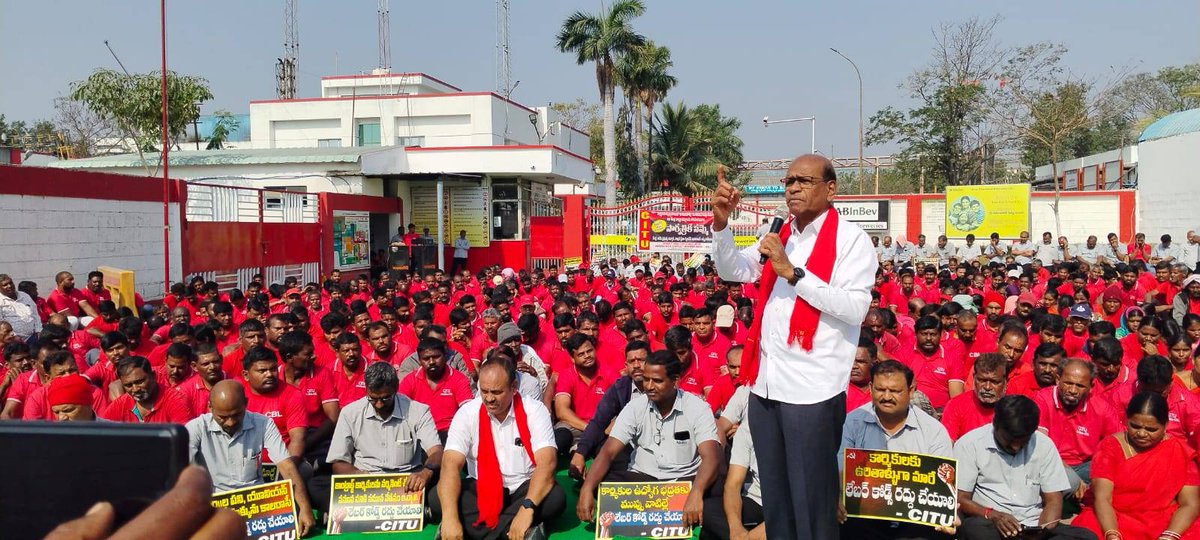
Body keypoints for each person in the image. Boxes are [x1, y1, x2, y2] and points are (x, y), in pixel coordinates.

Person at [711, 156, 876, 540]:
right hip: (765, 386)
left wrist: (794, 274)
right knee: (777, 499)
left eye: (804, 180)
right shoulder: (780, 233)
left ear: (830, 189)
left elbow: (855, 308)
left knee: (812, 503)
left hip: (811, 391)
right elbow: (734, 270)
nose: (793, 188)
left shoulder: (851, 240)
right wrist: (721, 225)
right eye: (789, 181)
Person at [575, 350, 721, 530]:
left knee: (718, 479)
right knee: (602, 484)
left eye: (657, 381)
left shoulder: (698, 408)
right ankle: (673, 508)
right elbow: (608, 452)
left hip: (685, 479)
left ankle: (673, 505)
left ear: (676, 381)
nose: (649, 386)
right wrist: (587, 488)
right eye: (646, 379)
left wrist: (697, 492)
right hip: (643, 479)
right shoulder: (635, 406)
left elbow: (711, 457)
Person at [437, 356, 564, 540]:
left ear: (513, 388)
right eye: (484, 391)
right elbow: (450, 464)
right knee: (438, 497)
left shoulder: (535, 410)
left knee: (555, 499)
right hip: (481, 488)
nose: (489, 399)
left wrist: (527, 508)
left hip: (523, 488)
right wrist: (449, 517)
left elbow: (547, 463)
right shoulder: (467, 413)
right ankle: (514, 532)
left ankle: (480, 531)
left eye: (496, 392)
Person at [837, 359, 954, 539]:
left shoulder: (933, 430)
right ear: (870, 387)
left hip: (915, 521)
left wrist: (946, 512)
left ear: (911, 390)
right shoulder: (852, 423)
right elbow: (840, 469)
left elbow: (943, 484)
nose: (886, 397)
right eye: (880, 389)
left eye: (895, 391)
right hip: (863, 518)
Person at [184, 380, 316, 536]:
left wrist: (305, 508)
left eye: (236, 415)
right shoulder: (196, 428)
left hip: (256, 504)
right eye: (223, 417)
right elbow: (183, 471)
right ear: (210, 407)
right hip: (215, 504)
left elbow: (286, 466)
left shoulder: (264, 423)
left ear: (246, 403)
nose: (231, 422)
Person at [954, 395, 1095, 539]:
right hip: (991, 524)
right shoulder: (970, 444)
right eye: (1009, 440)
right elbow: (960, 498)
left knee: (1087, 537)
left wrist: (1042, 531)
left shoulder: (1044, 445)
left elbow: (1053, 500)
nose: (1015, 447)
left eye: (1023, 442)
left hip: (1033, 527)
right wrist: (991, 514)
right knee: (974, 529)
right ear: (995, 425)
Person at [1072, 392, 1200, 540]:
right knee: (1087, 531)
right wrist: (1112, 535)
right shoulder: (1110, 446)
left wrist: (1169, 536)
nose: (1141, 433)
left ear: (1166, 425)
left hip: (1160, 520)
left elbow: (1189, 504)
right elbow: (1102, 498)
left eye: (1151, 429)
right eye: (1135, 426)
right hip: (1112, 516)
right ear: (1126, 420)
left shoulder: (1181, 451)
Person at [327, 362, 443, 491]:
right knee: (318, 484)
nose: (379, 405)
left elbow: (436, 451)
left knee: (441, 487)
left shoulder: (418, 411)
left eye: (385, 398)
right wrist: (359, 476)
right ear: (366, 390)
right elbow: (338, 462)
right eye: (372, 399)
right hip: (365, 482)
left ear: (396, 389)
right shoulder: (350, 413)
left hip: (408, 482)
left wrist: (425, 473)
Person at [1034, 359, 1121, 498]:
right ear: (1057, 379)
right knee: (1069, 481)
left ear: (1091, 387)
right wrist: (1073, 477)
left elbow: (1118, 441)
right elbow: (1040, 449)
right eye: (1068, 383)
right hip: (1047, 464)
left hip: (1083, 467)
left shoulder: (1101, 408)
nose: (1073, 390)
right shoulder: (1042, 399)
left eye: (1080, 385)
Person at [569, 340, 651, 481]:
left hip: (659, 445)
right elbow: (599, 421)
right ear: (626, 366)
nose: (636, 365)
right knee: (603, 453)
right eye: (632, 361)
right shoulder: (620, 388)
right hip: (629, 444)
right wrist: (580, 453)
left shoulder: (663, 386)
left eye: (641, 360)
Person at [397, 337, 472, 444]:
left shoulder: (458, 378)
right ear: (419, 360)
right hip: (419, 433)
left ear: (445, 356)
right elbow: (400, 408)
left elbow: (467, 411)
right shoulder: (410, 380)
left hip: (451, 434)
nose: (431, 362)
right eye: (426, 358)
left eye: (436, 357)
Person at [553, 332, 614, 457]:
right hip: (576, 425)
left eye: (589, 351)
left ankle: (579, 450)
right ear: (572, 358)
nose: (587, 356)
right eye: (581, 354)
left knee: (607, 451)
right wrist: (589, 429)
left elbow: (622, 406)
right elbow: (561, 410)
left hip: (604, 428)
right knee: (560, 437)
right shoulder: (567, 375)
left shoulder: (608, 372)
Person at [702, 427, 765, 540]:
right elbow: (733, 485)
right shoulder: (747, 428)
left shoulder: (799, 426)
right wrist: (736, 529)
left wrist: (768, 528)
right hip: (757, 501)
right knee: (706, 511)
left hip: (795, 508)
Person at [102, 356, 193, 423]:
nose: (135, 389)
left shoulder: (176, 400)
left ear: (153, 376)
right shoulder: (120, 405)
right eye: (128, 385)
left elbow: (183, 441)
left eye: (139, 382)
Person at [941, 353, 1008, 441]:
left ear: (1005, 382)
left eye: (994, 382)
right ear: (974, 378)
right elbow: (947, 444)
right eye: (982, 380)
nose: (987, 387)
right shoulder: (956, 405)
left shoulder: (1014, 409)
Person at [0, 274, 41, 343]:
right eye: (5, 285)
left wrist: (39, 330)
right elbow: (1, 324)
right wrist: (14, 336)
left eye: (11, 283)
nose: (9, 286)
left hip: (33, 336)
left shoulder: (24, 295)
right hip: (13, 340)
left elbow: (35, 315)